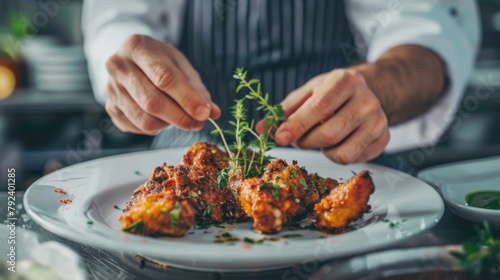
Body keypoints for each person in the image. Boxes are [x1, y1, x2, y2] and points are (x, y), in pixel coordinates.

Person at [82, 0, 480, 166]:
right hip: (184, 151)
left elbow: (428, 27)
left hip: (344, 163)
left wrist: (376, 87)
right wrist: (133, 68)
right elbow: (119, 19)